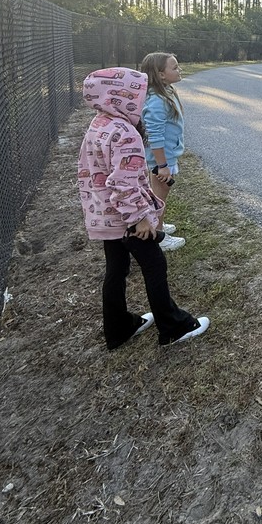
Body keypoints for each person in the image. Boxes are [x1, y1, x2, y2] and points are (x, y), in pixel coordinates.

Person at [77, 67, 209, 350]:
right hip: (127, 218)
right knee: (155, 264)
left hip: (104, 214)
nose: (139, 100)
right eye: (135, 94)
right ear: (118, 97)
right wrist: (139, 220)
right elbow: (124, 183)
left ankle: (118, 328)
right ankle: (173, 327)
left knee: (116, 268)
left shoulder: (98, 124)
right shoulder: (125, 133)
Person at [140, 51, 186, 252]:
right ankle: (159, 235)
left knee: (157, 195)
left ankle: (158, 223)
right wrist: (162, 166)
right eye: (174, 67)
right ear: (160, 74)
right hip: (162, 159)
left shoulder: (165, 92)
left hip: (165, 157)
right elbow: (155, 135)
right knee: (159, 198)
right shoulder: (157, 100)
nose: (179, 69)